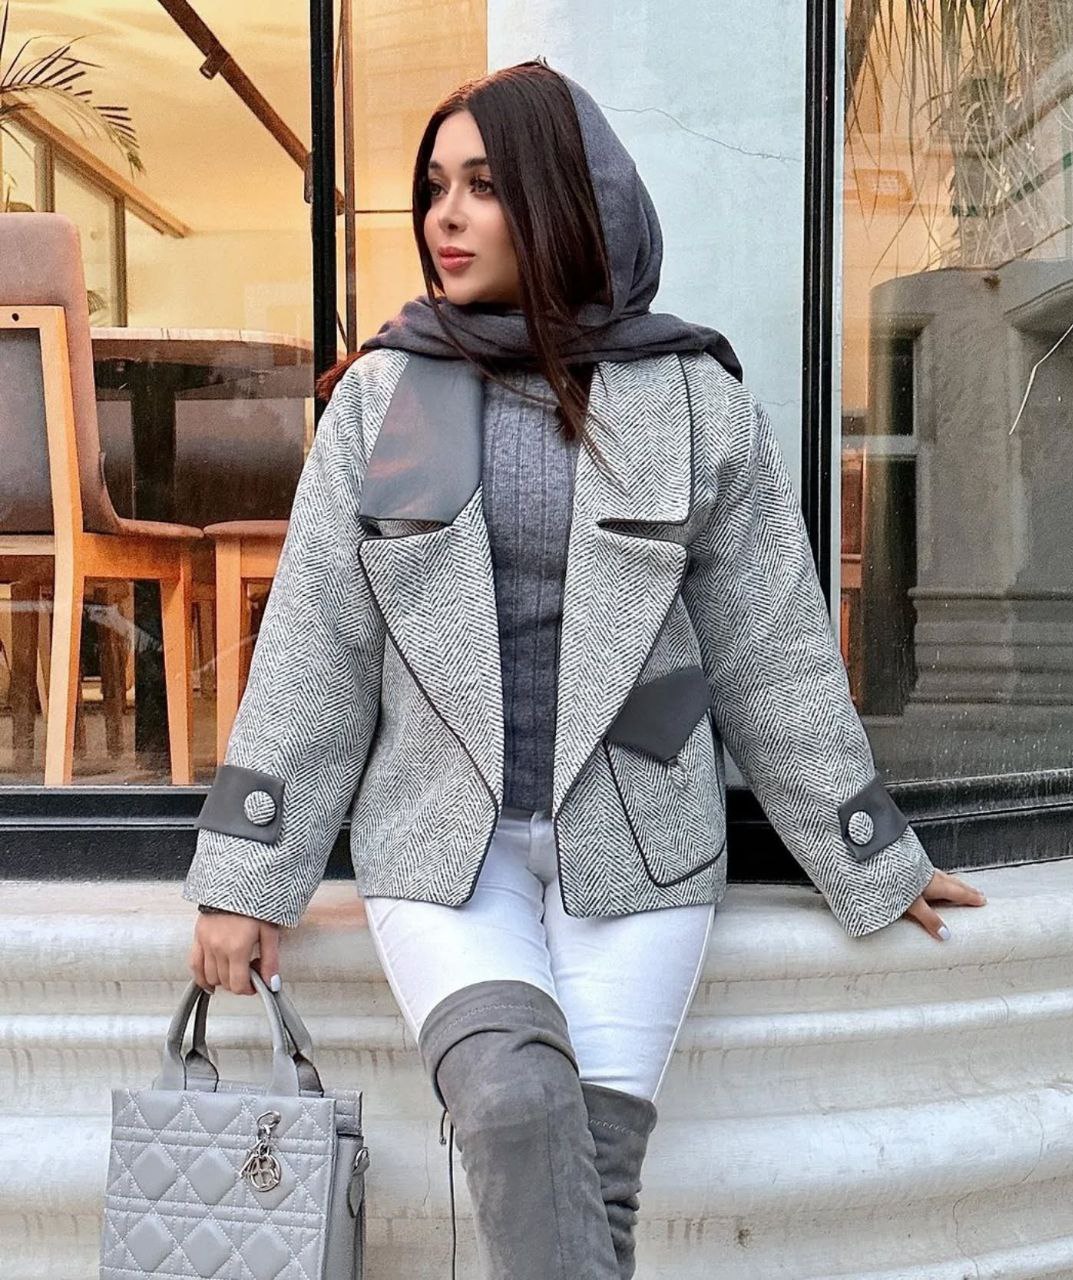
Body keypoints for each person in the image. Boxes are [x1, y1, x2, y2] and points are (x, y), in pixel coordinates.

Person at [183, 59, 987, 1280]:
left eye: (483, 186)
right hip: (442, 844)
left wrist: (869, 848)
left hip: (640, 839)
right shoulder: (394, 395)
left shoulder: (686, 398)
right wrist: (247, 873)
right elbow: (317, 647)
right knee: (512, 1104)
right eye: (434, 187)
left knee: (592, 1180)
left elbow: (768, 647)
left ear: (564, 201)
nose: (445, 216)